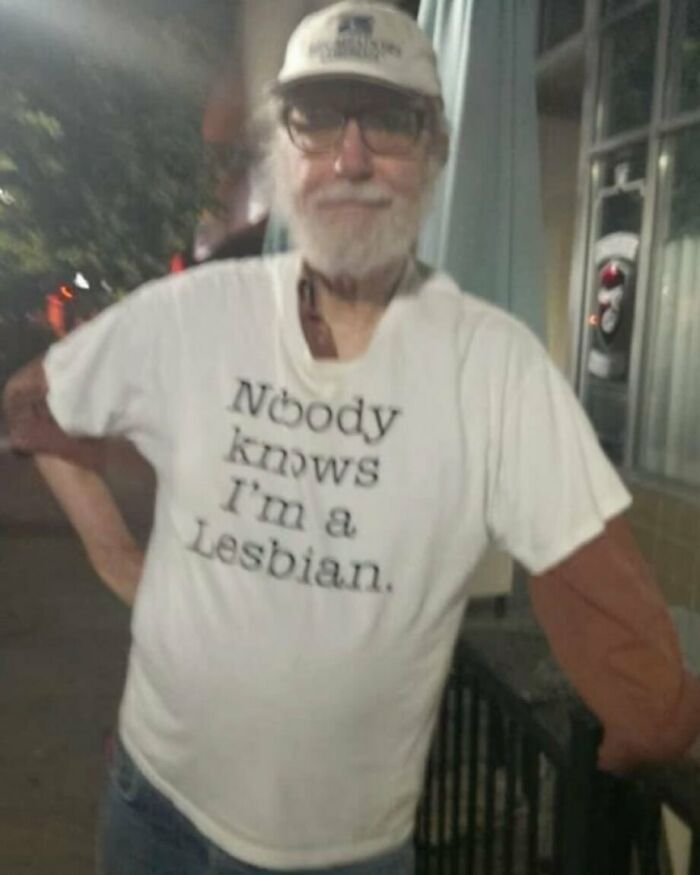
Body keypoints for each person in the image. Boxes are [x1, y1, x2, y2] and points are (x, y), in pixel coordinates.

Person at [3, 2, 700, 873]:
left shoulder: (493, 367)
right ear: (282, 147)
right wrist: (123, 563)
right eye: (319, 116)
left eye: (392, 121)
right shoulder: (190, 315)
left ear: (435, 152)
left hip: (336, 854)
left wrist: (658, 718)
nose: (353, 154)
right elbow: (37, 407)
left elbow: (609, 608)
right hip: (148, 805)